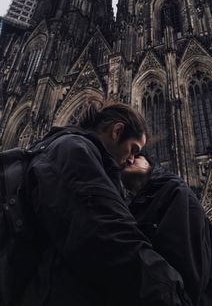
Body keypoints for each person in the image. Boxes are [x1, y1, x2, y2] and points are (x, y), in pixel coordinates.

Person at [17, 97, 192, 306]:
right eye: (134, 149)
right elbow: (111, 238)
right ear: (117, 131)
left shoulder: (65, 149)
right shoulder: (75, 151)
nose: (131, 160)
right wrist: (172, 297)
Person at [122, 155, 212, 306]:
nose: (129, 159)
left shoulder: (174, 191)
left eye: (138, 155)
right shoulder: (131, 209)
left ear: (151, 166)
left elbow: (190, 266)